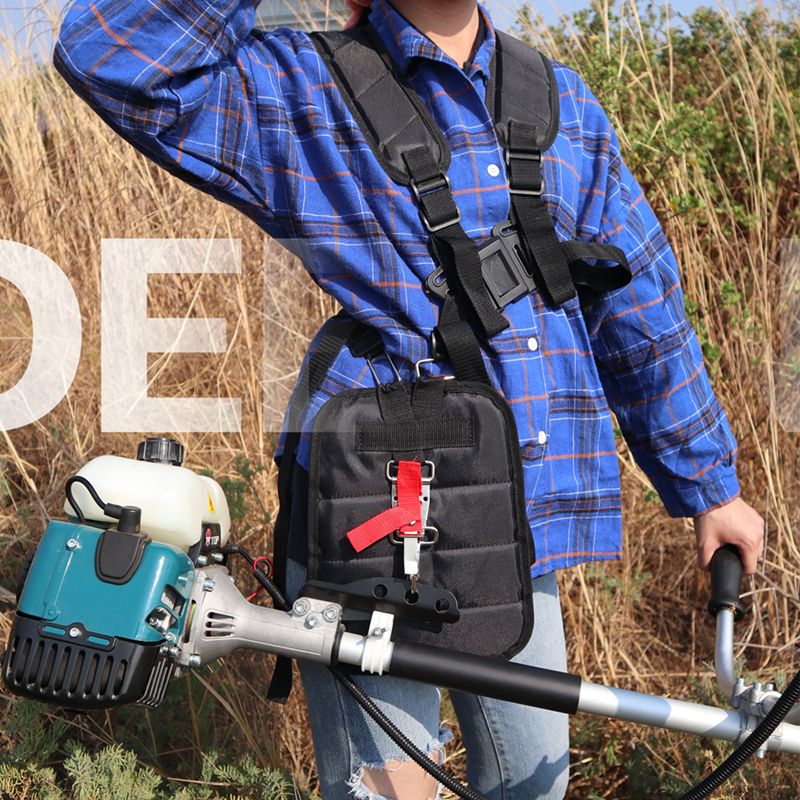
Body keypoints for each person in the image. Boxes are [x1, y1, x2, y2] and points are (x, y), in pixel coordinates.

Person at [54, 0, 764, 798]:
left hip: (514, 524)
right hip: (370, 516)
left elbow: (640, 310)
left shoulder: (560, 103)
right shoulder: (300, 88)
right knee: (389, 791)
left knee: (535, 785)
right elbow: (112, 59)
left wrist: (711, 487)